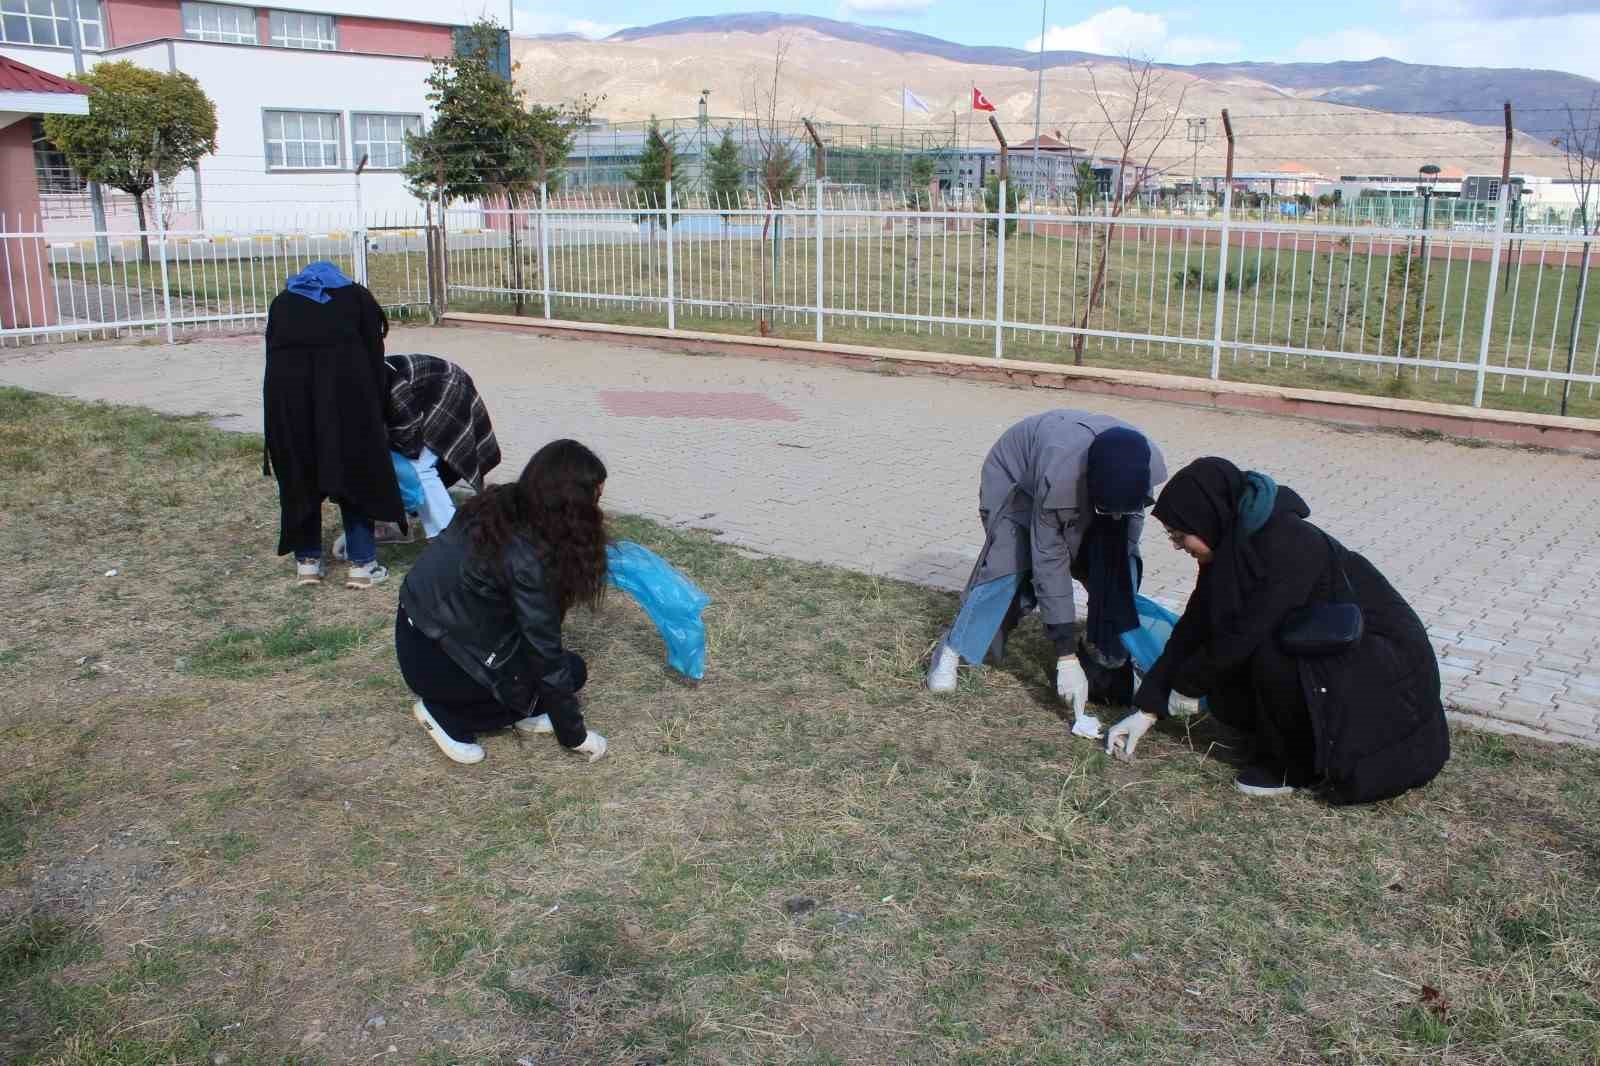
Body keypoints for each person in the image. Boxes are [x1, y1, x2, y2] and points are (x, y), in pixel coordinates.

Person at [1105, 458, 1450, 804]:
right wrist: (1146, 709)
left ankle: (1294, 767)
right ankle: (1281, 739)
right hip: (1336, 649)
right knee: (1238, 663)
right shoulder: (1230, 547)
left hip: (1382, 663)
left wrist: (1187, 684)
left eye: (1180, 536)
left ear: (1206, 517)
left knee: (1267, 656)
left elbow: (1245, 634)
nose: (1178, 547)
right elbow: (1193, 627)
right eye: (1173, 537)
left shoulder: (1290, 543)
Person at [927, 410, 1167, 740]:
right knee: (1009, 565)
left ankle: (1104, 653)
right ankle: (954, 648)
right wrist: (1065, 655)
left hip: (1088, 486)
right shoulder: (1059, 477)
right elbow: (1048, 562)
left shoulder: (1145, 465)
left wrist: (1109, 592)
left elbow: (1124, 541)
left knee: (1118, 566)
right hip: (1017, 480)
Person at [395, 439, 611, 766]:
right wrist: (574, 735)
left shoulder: (499, 503)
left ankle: (519, 708)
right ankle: (445, 716)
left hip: (415, 630)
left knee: (547, 676)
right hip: (438, 662)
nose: (599, 502)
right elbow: (545, 652)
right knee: (571, 672)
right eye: (595, 495)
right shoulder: (530, 559)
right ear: (571, 503)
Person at [262, 260, 403, 590]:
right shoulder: (357, 299)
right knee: (355, 474)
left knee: (299, 477)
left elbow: (272, 356)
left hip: (289, 403)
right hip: (347, 403)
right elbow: (374, 357)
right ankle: (362, 565)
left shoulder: (283, 303)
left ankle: (307, 563)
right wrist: (380, 409)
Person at [332, 352, 502, 558]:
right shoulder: (348, 393)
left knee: (419, 466)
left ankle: (452, 539)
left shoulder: (390, 387)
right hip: (414, 399)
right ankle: (394, 525)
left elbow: (408, 438)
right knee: (390, 465)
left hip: (447, 388)